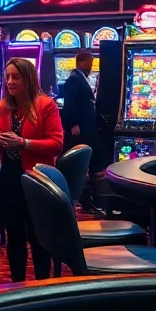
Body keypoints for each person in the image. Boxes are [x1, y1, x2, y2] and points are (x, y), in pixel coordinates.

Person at [0, 58, 64, 283]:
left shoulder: (45, 105)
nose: (10, 81)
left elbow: (56, 143)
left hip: (36, 178)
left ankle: (41, 285)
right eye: (7, 76)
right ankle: (17, 285)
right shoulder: (1, 107)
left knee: (38, 237)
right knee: (14, 237)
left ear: (28, 79)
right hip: (8, 179)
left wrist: (24, 142)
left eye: (15, 77)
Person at [59, 51, 99, 211]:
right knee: (82, 161)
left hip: (85, 125)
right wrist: (73, 124)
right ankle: (81, 198)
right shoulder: (74, 79)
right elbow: (69, 104)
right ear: (81, 61)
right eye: (89, 61)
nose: (91, 65)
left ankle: (86, 198)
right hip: (80, 127)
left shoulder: (80, 77)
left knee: (88, 160)